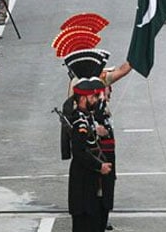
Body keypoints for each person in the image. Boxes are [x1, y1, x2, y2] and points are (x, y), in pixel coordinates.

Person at [68, 77, 114, 232]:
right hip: (83, 188)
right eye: (92, 97)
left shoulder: (88, 118)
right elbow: (79, 152)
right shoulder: (79, 122)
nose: (95, 99)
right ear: (82, 98)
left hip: (91, 188)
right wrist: (99, 166)